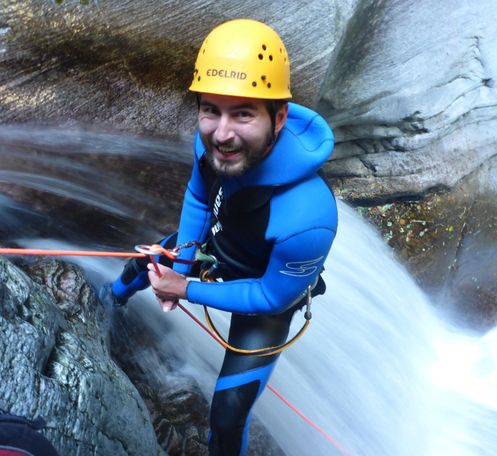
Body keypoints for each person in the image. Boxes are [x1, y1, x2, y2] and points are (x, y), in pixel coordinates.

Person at [106, 18, 338, 455]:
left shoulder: (309, 216)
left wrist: (186, 288)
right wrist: (183, 260)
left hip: (266, 288)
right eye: (210, 109)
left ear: (280, 116)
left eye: (243, 113)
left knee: (229, 412)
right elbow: (198, 196)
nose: (222, 133)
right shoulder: (209, 142)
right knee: (143, 265)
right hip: (218, 241)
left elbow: (272, 297)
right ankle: (107, 300)